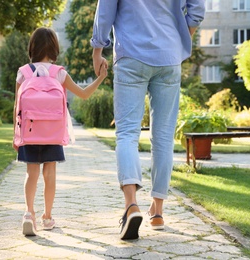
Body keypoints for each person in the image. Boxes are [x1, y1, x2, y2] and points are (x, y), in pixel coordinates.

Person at [91, 1, 205, 240]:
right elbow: (197, 10)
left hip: (131, 55)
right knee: (163, 136)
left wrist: (97, 50)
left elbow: (105, 10)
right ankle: (158, 212)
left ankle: (131, 205)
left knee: (127, 134)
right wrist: (177, 41)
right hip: (169, 57)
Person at [13, 27, 108, 236]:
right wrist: (100, 78)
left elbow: (17, 106)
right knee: (50, 173)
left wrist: (16, 135)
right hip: (53, 133)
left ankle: (29, 213)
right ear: (54, 48)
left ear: (33, 47)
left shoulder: (24, 72)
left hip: (29, 132)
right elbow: (83, 94)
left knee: (31, 173)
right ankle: (47, 217)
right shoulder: (59, 73)